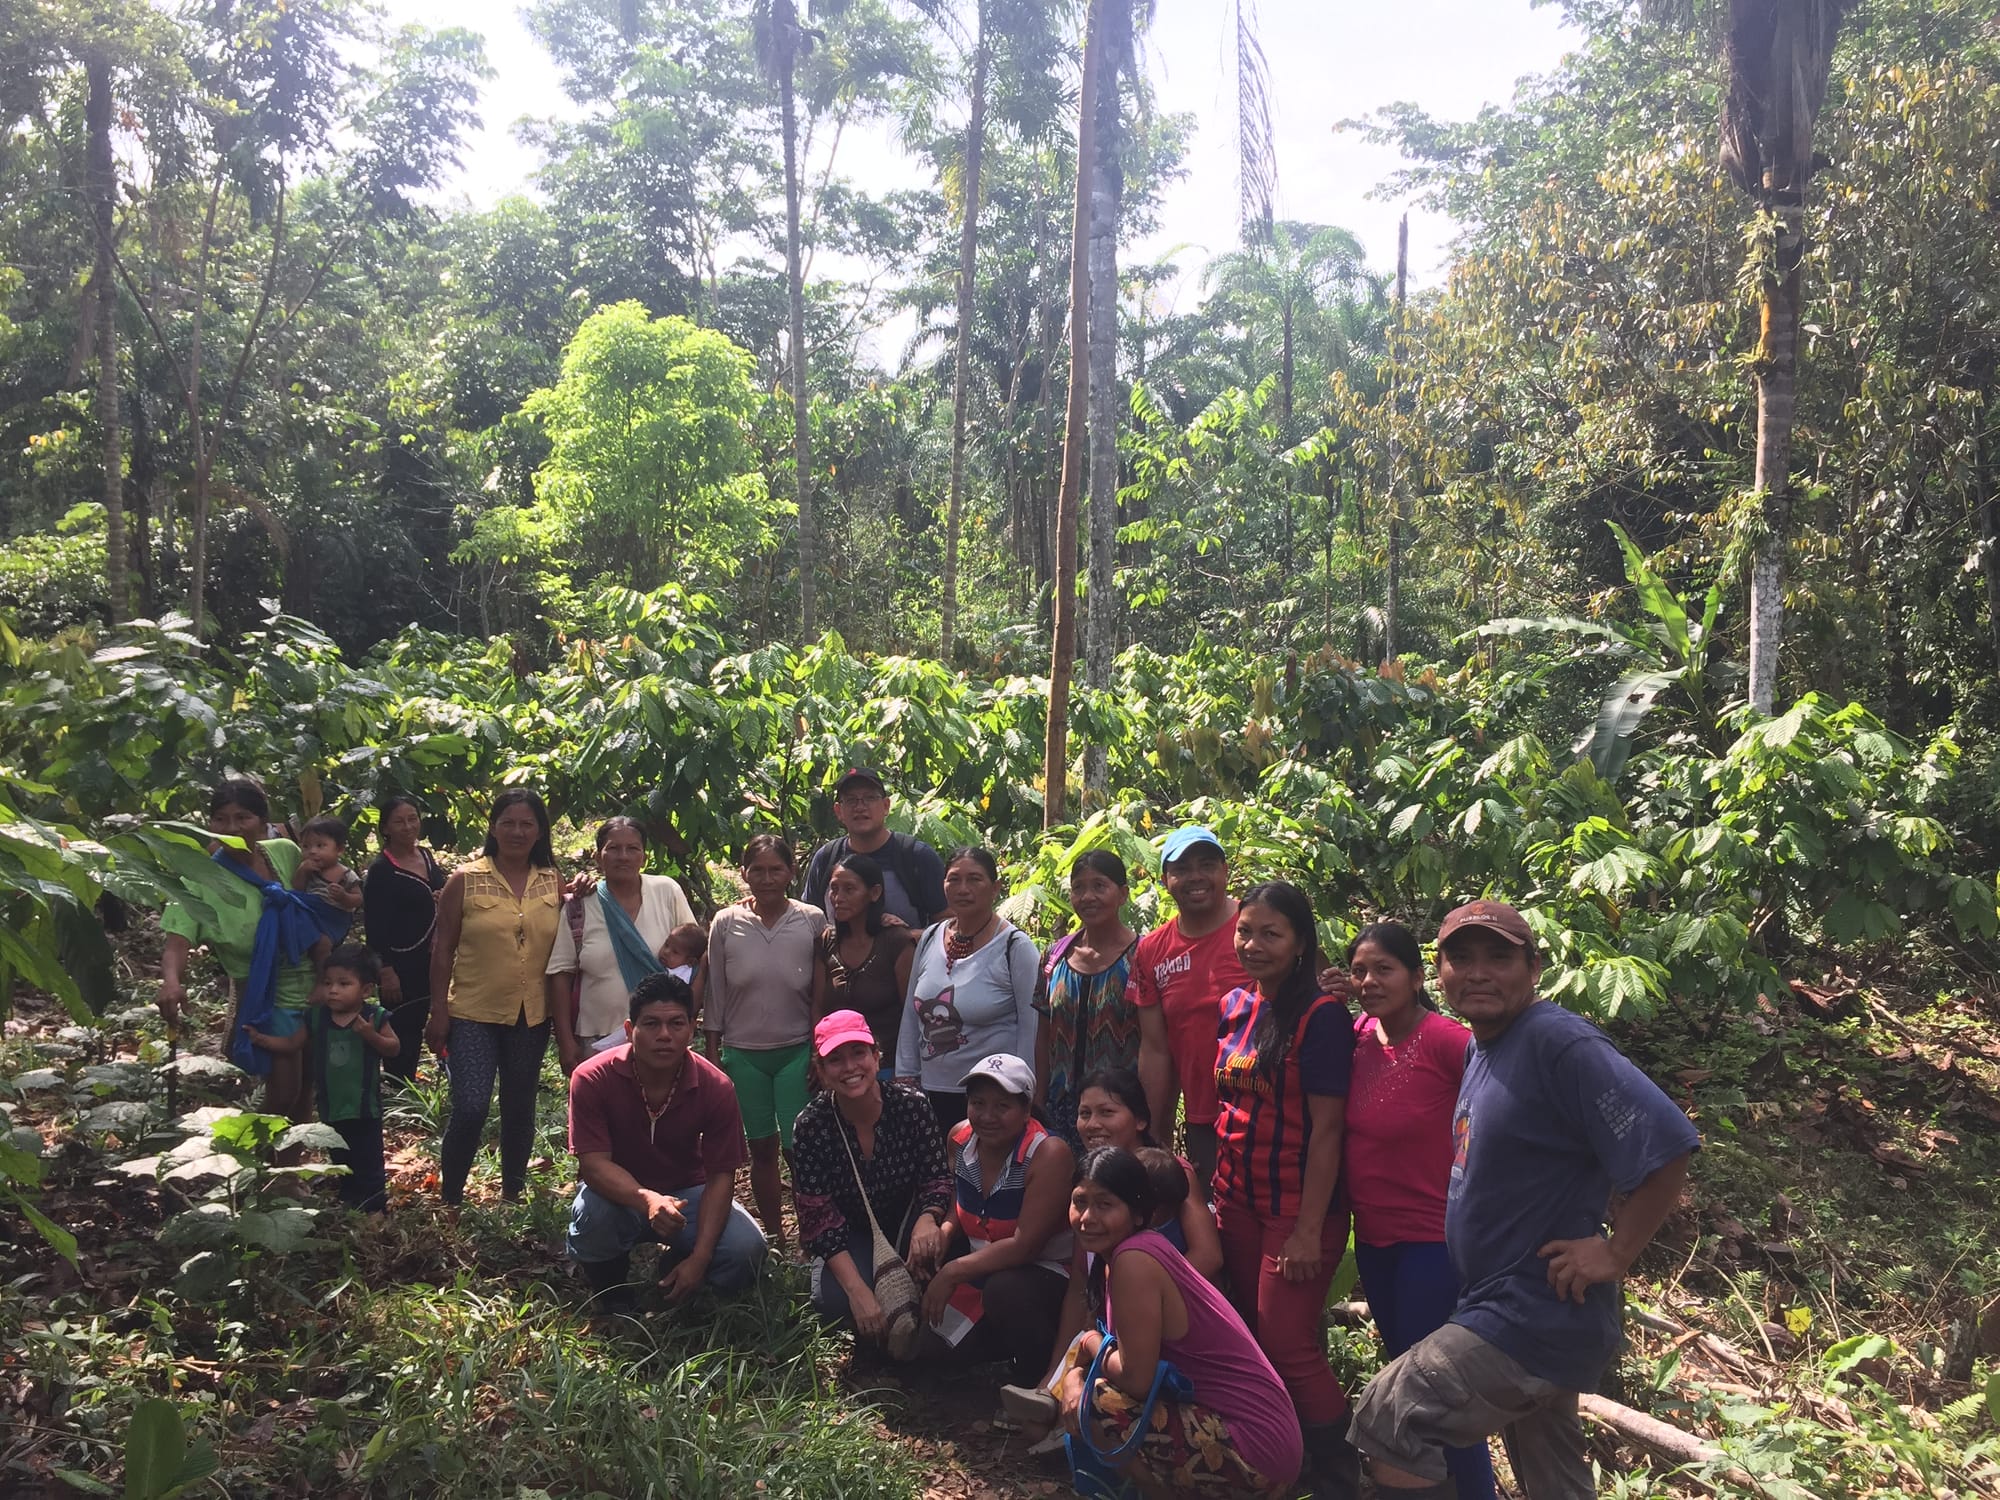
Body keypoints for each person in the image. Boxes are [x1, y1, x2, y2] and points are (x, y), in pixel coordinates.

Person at [1350, 901, 1700, 1500]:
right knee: (1553, 1480)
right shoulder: (1490, 1045)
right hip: (1510, 1304)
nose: (1478, 972)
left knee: (1391, 1415)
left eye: (1499, 957)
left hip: (1529, 1313)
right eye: (1462, 958)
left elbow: (1666, 1145)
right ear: (1441, 973)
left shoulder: (1556, 1041)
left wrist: (1617, 1253)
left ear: (1534, 967)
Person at [1336, 922, 1496, 1500]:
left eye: (1384, 970)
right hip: (1375, 1240)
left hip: (1433, 1240)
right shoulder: (1356, 1037)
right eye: (1359, 971)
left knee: (1436, 1389)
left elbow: (1497, 1104)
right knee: (1412, 1379)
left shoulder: (1446, 1040)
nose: (1370, 981)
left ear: (1416, 976)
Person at [1212, 880, 1361, 1499]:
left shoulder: (1322, 1019)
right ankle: (1283, 1454)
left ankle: (1339, 1470)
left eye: (1270, 933)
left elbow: (1328, 1132)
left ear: (1301, 942)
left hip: (1296, 1208)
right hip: (1235, 1197)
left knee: (1287, 1340)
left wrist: (1306, 1227)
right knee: (1249, 1327)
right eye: (1246, 931)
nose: (1253, 944)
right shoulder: (1236, 1006)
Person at [1056, 1145, 1304, 1498]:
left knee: (1094, 1401)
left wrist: (1087, 1347)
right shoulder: (1130, 1253)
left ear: (1138, 1214)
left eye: (1105, 1204)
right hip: (1266, 1441)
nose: (1087, 1217)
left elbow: (1136, 1380)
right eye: (1080, 1201)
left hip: (1256, 1449)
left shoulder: (1134, 1260)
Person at [566, 972, 769, 1309]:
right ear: (631, 1031)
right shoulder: (592, 1078)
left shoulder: (716, 1087)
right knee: (593, 1217)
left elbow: (721, 1175)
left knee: (747, 1248)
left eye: (676, 1024)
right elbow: (593, 1165)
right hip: (619, 1196)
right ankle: (610, 1288)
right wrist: (647, 1199)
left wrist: (701, 1257)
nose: (664, 1036)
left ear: (692, 1029)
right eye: (651, 1024)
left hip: (688, 1196)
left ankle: (679, 1273)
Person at [157, 777, 334, 1126]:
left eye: (243, 818)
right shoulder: (199, 878)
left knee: (307, 1087)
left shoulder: (284, 852)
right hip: (266, 994)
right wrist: (171, 982)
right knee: (283, 1092)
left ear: (262, 820)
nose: (232, 828)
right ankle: (256, 1163)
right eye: (220, 819)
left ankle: (288, 1173)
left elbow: (319, 905)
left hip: (316, 983)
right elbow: (177, 941)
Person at [427, 788, 564, 1207]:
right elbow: (442, 948)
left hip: (531, 1012)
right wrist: (437, 1012)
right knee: (470, 1106)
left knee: (520, 1105)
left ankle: (512, 1194)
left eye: (527, 824)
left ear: (540, 830)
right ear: (493, 827)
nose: (517, 832)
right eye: (508, 823)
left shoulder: (554, 881)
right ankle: (451, 1197)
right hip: (472, 1010)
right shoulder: (465, 880)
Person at [697, 834, 827, 1253]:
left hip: (797, 1052)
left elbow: (823, 991)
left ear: (792, 872)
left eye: (776, 869)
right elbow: (715, 992)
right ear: (743, 873)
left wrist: (819, 1049)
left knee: (799, 1151)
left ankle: (815, 1236)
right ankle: (775, 1239)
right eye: (758, 870)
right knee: (761, 1150)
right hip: (742, 1053)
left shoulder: (812, 919)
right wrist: (713, 1053)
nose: (767, 878)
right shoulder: (725, 922)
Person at [792, 1010, 952, 1341]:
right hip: (851, 1234)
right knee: (835, 1301)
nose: (850, 1068)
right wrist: (857, 1292)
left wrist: (928, 1217)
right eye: (835, 1060)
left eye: (858, 1053)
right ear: (821, 1072)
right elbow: (818, 1217)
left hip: (909, 1225)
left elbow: (936, 1177)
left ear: (876, 1057)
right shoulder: (811, 1125)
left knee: (944, 1270)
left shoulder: (912, 1106)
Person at [922, 1053, 1074, 1385]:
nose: (987, 1116)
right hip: (982, 1266)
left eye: (1002, 1107)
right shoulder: (960, 1140)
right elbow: (960, 1200)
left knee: (1006, 1291)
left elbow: (1025, 1247)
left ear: (1025, 1110)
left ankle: (1035, 1373)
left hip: (1045, 1274)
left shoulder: (1048, 1154)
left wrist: (952, 1271)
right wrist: (945, 1231)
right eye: (978, 1103)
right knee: (927, 1353)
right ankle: (997, 1344)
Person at [1134, 826, 1250, 1193]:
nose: (1195, 876)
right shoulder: (1152, 950)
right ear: (1166, 879)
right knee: (1214, 1227)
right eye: (1182, 868)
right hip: (1205, 1119)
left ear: (1225, 871)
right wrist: (1155, 1135)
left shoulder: (1258, 927)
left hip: (1271, 1112)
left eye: (1206, 864)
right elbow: (1155, 1048)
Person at [895, 848, 1040, 1135]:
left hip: (992, 1098)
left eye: (975, 879)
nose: (963, 889)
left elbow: (1031, 1028)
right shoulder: (930, 938)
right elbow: (912, 1016)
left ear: (996, 888)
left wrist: (1025, 1094)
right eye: (954, 879)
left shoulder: (1015, 946)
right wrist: (905, 1077)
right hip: (931, 1091)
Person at [245, 944, 399, 1214]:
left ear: (365, 990)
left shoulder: (373, 1017)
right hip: (332, 1106)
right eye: (328, 983)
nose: (333, 990)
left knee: (369, 1161)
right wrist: (261, 1039)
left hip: (364, 1107)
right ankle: (350, 1205)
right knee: (342, 1159)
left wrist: (370, 1035)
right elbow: (292, 1044)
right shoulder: (316, 1017)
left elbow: (393, 1048)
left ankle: (375, 1210)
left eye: (343, 983)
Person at [546, 817, 699, 1072]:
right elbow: (560, 975)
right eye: (613, 848)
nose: (623, 856)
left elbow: (697, 958)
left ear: (644, 857)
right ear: (598, 856)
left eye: (632, 849)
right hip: (598, 1042)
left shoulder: (666, 891)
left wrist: (686, 1019)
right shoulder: (580, 906)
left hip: (661, 1039)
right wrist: (565, 1041)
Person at [1034, 850, 1140, 1151]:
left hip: (1120, 1110)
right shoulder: (1055, 957)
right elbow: (1044, 1034)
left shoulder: (1142, 957)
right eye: (1079, 887)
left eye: (1099, 886)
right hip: (1062, 1107)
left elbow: (1156, 1042)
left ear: (1122, 894)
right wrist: (1039, 1099)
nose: (1088, 896)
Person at [1072, 1068, 1221, 1278]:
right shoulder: (1087, 1177)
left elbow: (1208, 1256)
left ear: (1140, 1121)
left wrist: (1151, 1293)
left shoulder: (1171, 1170)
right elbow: (1081, 1279)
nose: (1092, 1124)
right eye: (1085, 1114)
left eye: (1107, 1112)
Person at [362, 795, 446, 1084]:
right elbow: (374, 925)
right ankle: (400, 1089)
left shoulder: (426, 856)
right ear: (385, 828)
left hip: (434, 958)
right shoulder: (381, 871)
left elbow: (443, 890)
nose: (408, 826)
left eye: (413, 818)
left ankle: (440, 1084)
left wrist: (441, 896)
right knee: (402, 1029)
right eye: (399, 821)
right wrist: (385, 971)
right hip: (400, 964)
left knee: (436, 1019)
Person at [801, 767, 947, 928]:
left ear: (886, 806)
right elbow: (810, 922)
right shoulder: (826, 858)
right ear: (838, 811)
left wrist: (906, 938)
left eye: (869, 798)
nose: (860, 807)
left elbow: (948, 924)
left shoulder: (917, 856)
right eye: (851, 800)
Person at [818, 852, 918, 1074]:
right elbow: (817, 1008)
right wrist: (817, 1060)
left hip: (887, 1066)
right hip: (837, 1069)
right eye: (834, 889)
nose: (838, 898)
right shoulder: (826, 942)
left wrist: (908, 1071)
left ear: (874, 893)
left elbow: (909, 1013)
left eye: (849, 889)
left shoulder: (896, 941)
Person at [294, 815, 364, 917]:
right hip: (309, 914)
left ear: (339, 850)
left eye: (320, 845)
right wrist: (301, 871)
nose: (312, 851)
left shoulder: (346, 875)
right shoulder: (309, 871)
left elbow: (358, 899)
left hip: (334, 918)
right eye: (306, 846)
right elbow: (296, 890)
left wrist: (344, 897)